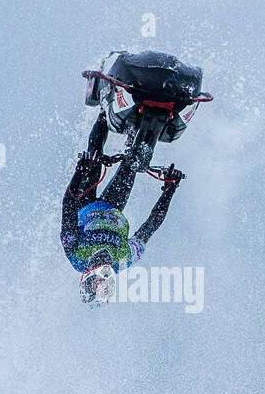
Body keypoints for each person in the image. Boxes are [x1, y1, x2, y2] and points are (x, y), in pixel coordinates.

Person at [61, 111, 184, 304]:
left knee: (95, 155)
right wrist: (170, 188)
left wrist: (80, 170)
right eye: (107, 289)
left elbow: (68, 205)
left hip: (84, 203)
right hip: (113, 206)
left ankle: (104, 108)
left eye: (98, 286)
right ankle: (142, 123)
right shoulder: (124, 259)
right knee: (134, 161)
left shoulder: (76, 254)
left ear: (87, 280)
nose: (104, 283)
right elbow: (150, 226)